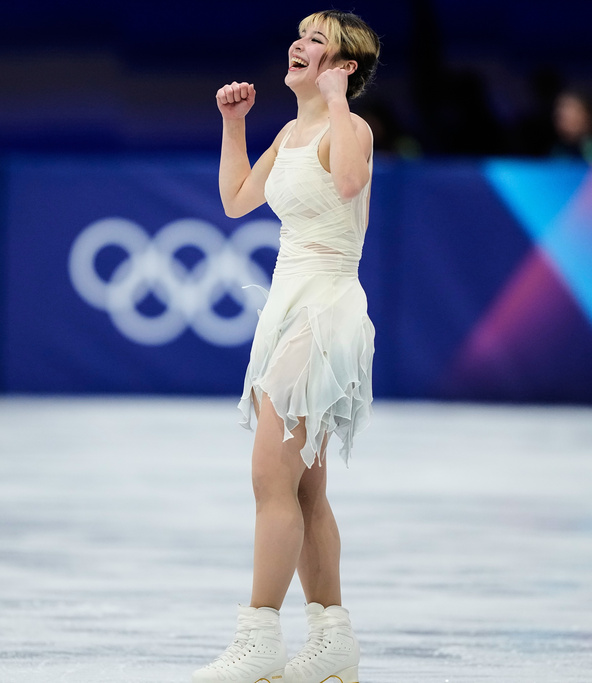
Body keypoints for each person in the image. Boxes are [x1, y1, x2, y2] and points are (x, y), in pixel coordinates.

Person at [194, 10, 380, 683]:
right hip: (287, 311)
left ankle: (259, 637)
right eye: (300, 34)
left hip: (325, 314)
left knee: (269, 476)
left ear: (343, 67)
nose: (300, 43)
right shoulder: (288, 132)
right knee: (303, 489)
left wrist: (337, 105)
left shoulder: (348, 127)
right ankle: (333, 638)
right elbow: (238, 197)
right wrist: (234, 124)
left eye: (318, 40)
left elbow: (352, 182)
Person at [551, 89, 592, 163]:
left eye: (572, 112)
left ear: (588, 118)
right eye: (560, 116)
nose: (562, 116)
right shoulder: (558, 149)